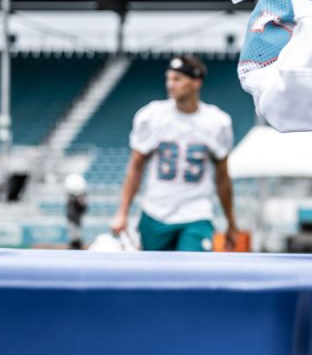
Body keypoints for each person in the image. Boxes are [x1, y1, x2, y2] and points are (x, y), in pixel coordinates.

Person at [110, 55, 240, 252]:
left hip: (196, 214)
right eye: (168, 78)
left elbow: (222, 177)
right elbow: (136, 167)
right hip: (155, 212)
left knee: (193, 275)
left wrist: (231, 222)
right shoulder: (152, 116)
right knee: (154, 278)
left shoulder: (217, 122)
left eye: (177, 79)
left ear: (196, 82)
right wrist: (122, 212)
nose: (171, 84)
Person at [65, 173, 89, 250]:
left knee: (76, 236)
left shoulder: (81, 198)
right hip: (73, 220)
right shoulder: (71, 198)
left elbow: (83, 208)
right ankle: (74, 246)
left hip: (77, 220)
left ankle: (76, 246)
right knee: (74, 235)